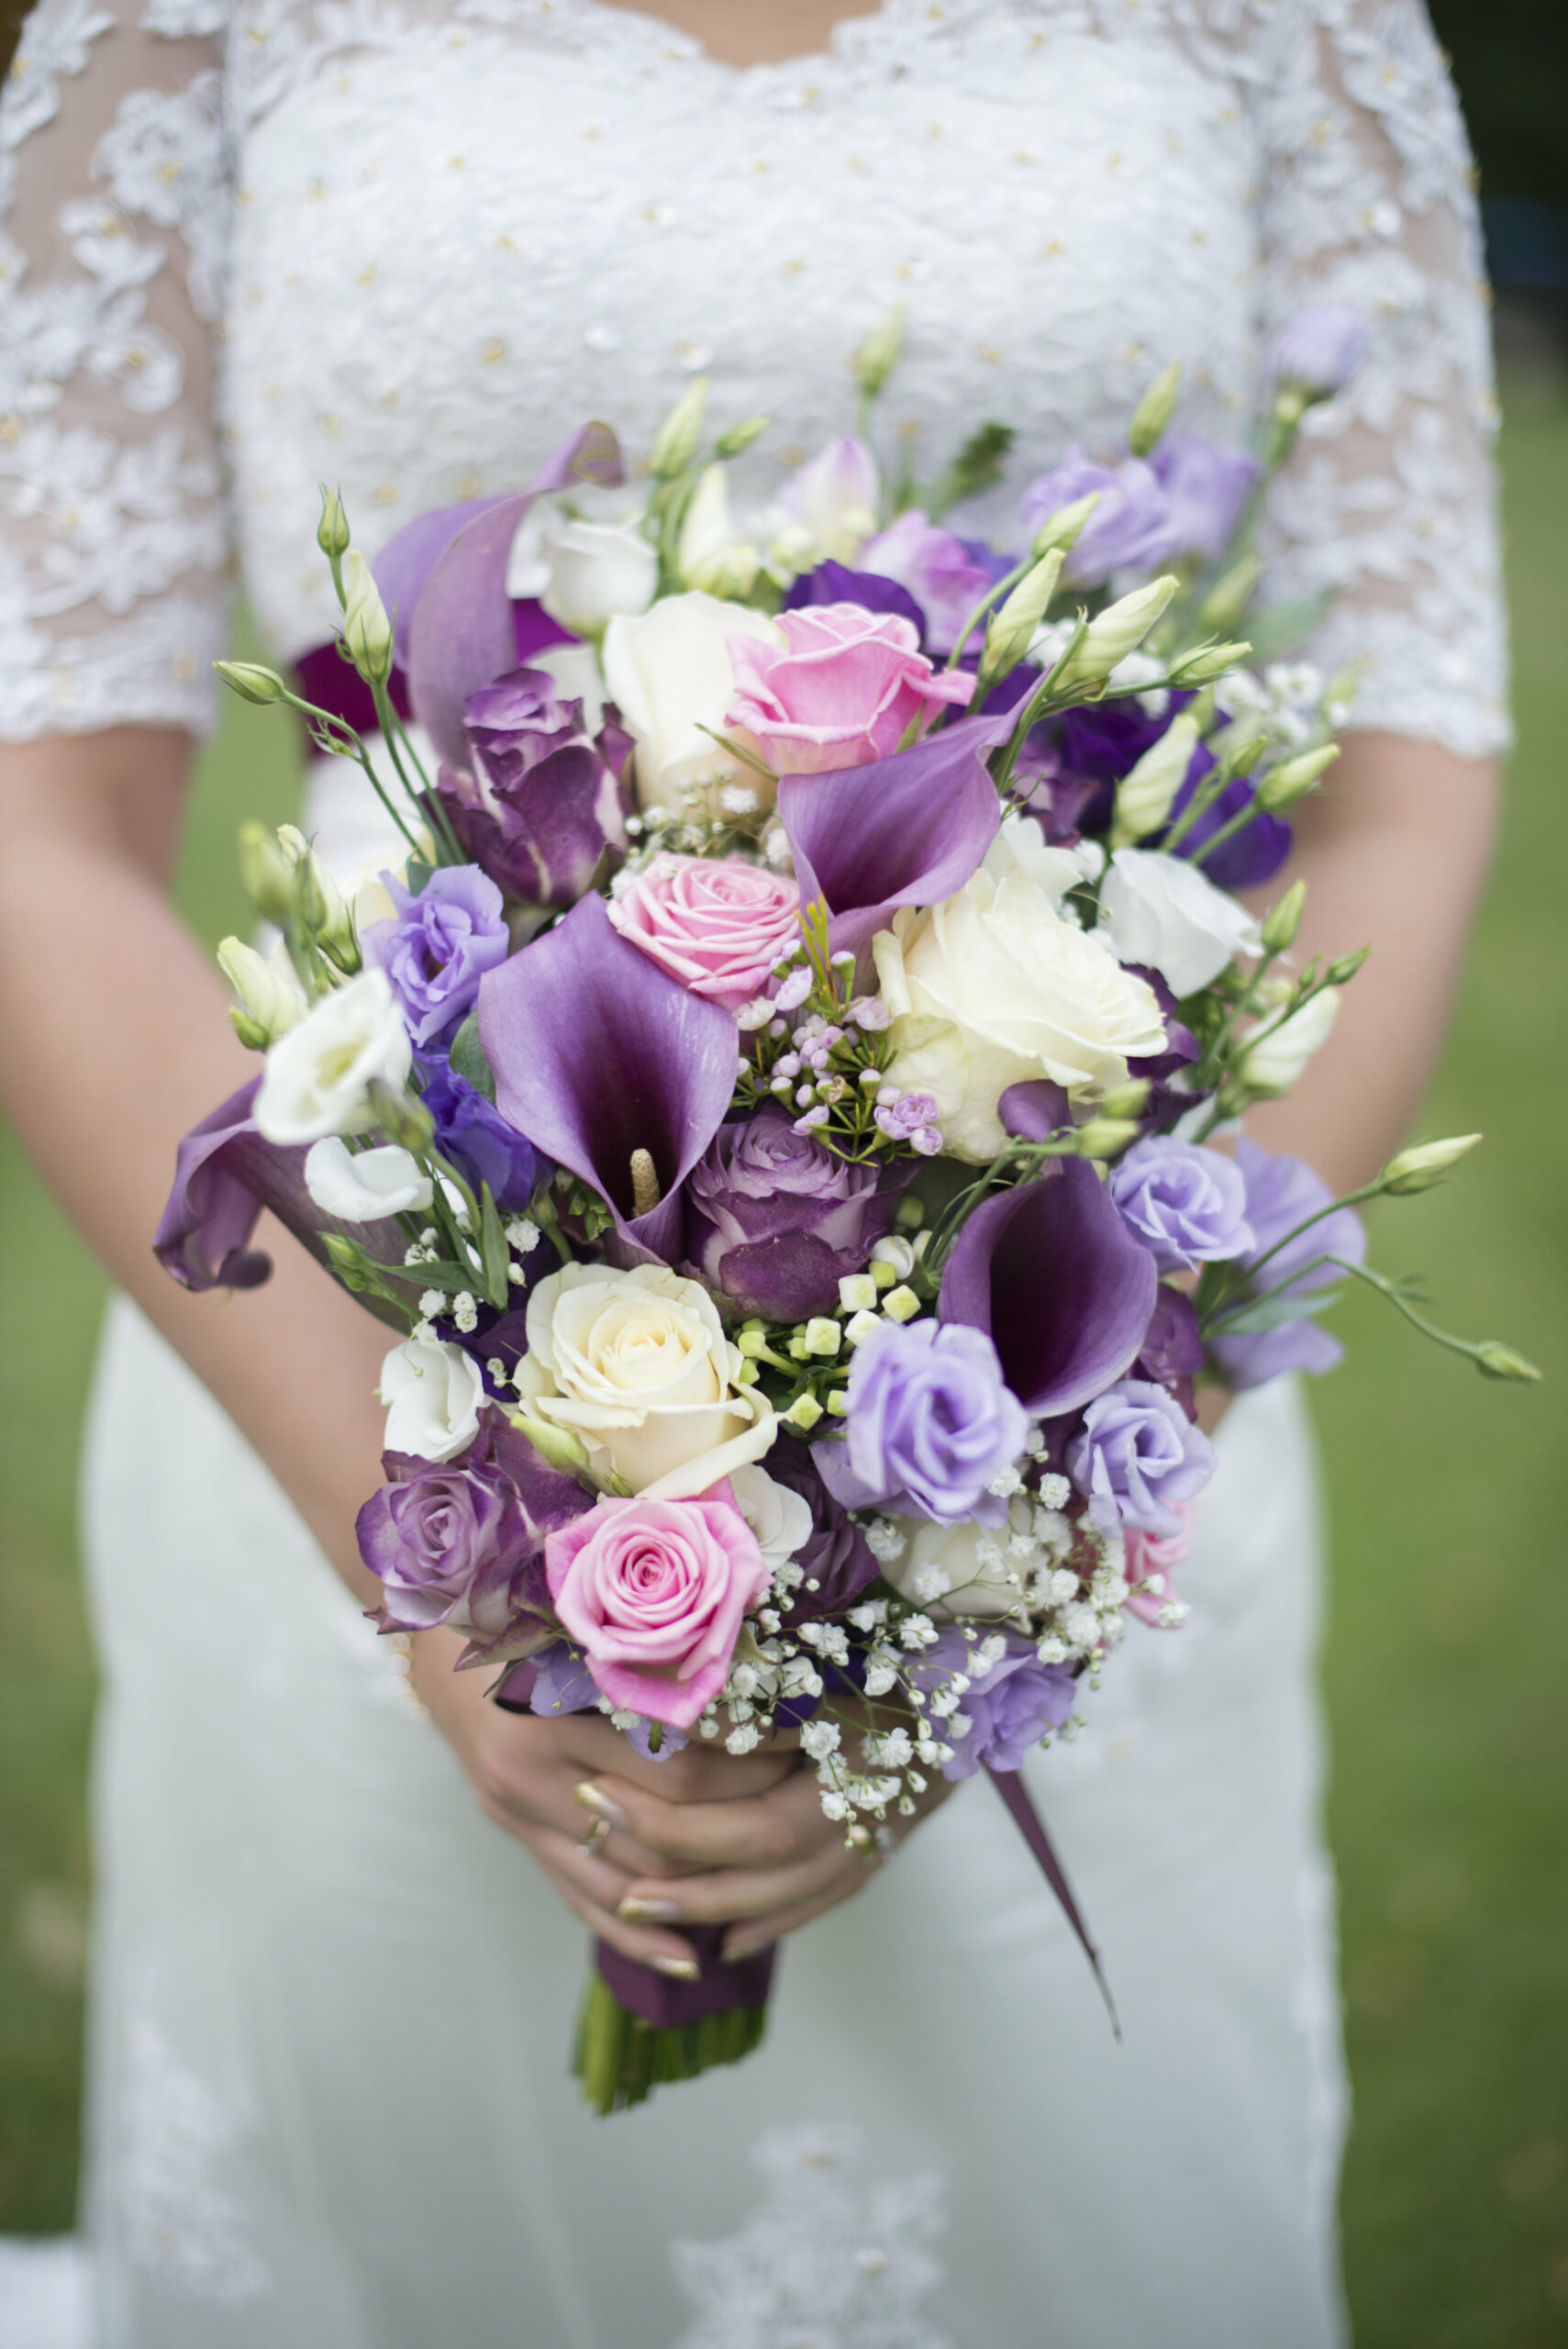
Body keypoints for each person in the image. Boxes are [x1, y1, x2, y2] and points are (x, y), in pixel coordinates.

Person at [0, 0, 1506, 2341]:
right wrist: (445, 1565)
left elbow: (1402, 775)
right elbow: (39, 825)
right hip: (369, 1348)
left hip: (1088, 1374)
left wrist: (1031, 1515)